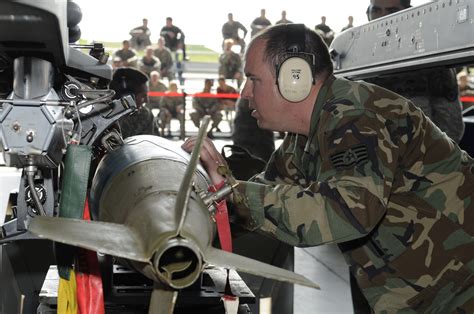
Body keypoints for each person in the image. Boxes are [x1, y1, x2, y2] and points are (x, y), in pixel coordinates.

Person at [182, 24, 474, 312]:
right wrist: (201, 205)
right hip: (411, 287)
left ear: (294, 77)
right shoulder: (306, 133)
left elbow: (347, 211)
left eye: (253, 79)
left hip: (460, 287)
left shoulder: (354, 117)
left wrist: (231, 192)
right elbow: (266, 190)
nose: (245, 92)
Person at [365, 0, 464, 143]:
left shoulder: (430, 51)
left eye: (392, 11)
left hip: (421, 154)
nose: (383, 18)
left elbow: (450, 123)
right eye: (376, 11)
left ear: (409, 12)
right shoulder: (356, 55)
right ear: (367, 13)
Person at [109, 68, 154, 138]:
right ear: (127, 97)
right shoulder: (105, 119)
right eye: (143, 96)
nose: (146, 100)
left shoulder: (145, 115)